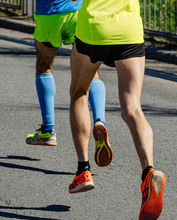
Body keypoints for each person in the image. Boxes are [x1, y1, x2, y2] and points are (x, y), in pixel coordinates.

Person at [68, 0, 166, 220]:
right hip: (128, 29)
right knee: (132, 108)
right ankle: (149, 171)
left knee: (79, 92)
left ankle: (83, 170)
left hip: (94, 29)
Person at [25, 0, 113, 167]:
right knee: (91, 72)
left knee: (44, 66)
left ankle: (48, 130)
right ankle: (100, 121)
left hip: (50, 13)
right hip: (78, 13)